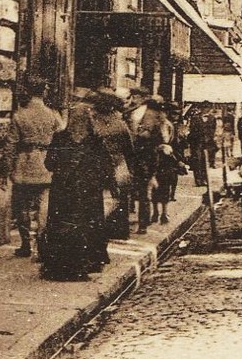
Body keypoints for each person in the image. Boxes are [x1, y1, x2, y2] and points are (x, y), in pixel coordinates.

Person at [39, 98, 111, 281]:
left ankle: (57, 267)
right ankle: (85, 264)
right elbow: (105, 166)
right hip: (89, 192)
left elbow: (49, 163)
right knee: (87, 226)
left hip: (63, 190)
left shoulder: (60, 137)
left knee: (61, 226)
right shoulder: (95, 140)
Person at [6, 80, 64, 257]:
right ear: (43, 93)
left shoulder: (19, 115)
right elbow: (62, 137)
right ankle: (41, 246)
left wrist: (7, 168)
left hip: (24, 162)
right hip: (46, 162)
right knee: (44, 206)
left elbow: (11, 144)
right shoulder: (53, 115)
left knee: (22, 206)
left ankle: (25, 246)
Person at [90, 88, 137, 247]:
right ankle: (119, 231)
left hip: (96, 164)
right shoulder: (120, 124)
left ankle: (98, 230)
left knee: (98, 197)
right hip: (118, 164)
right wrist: (131, 168)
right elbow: (129, 148)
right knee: (120, 197)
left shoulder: (92, 122)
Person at [127, 88, 170, 233]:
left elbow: (149, 135)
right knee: (131, 190)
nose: (133, 99)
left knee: (143, 190)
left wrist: (134, 137)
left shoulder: (151, 114)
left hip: (145, 156)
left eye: (135, 96)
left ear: (142, 97)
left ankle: (143, 224)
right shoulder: (131, 111)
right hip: (133, 155)